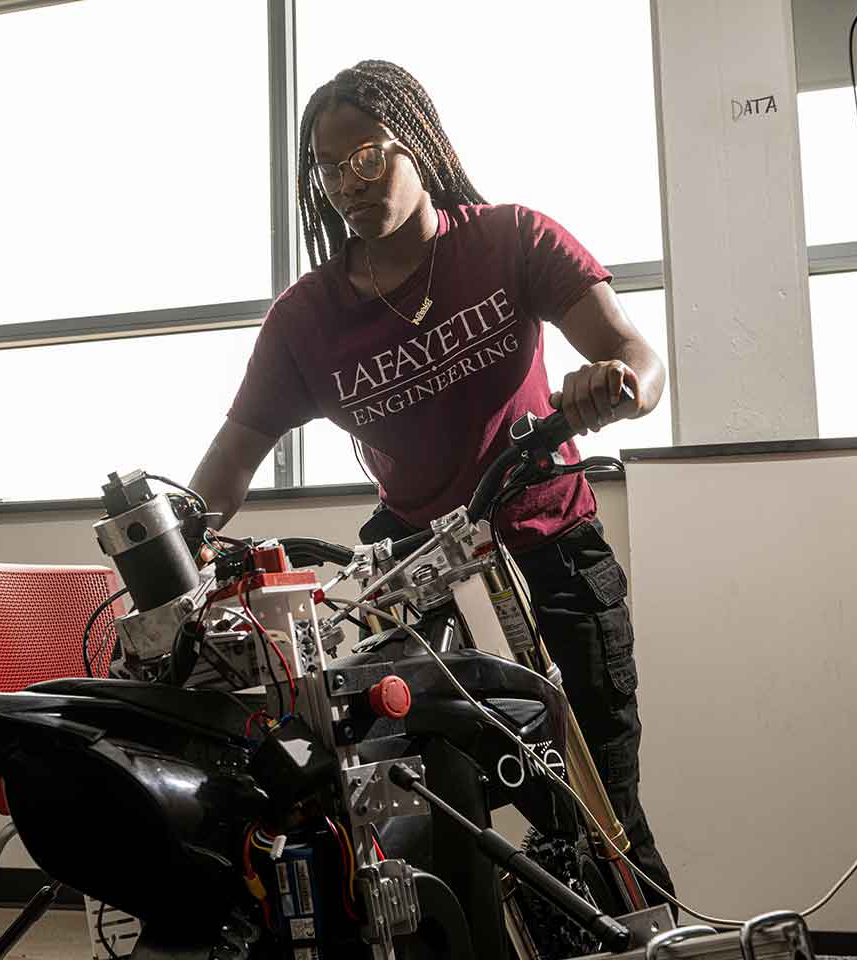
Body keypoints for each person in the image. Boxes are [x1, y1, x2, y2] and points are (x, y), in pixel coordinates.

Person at [189, 59, 674, 905]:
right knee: (431, 830)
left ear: (415, 143)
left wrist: (616, 386)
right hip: (423, 592)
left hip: (556, 564)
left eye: (366, 157)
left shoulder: (510, 238)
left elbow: (637, 356)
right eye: (330, 170)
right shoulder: (308, 320)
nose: (348, 183)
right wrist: (174, 539)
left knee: (604, 824)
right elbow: (231, 458)